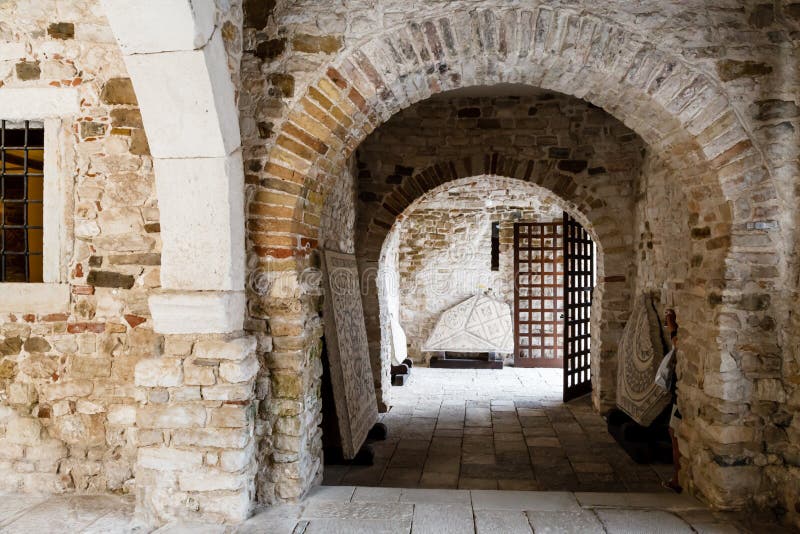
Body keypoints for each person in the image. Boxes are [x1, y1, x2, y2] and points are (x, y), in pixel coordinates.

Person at [663, 308, 682, 493]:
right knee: (673, 431)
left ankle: (678, 478)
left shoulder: (681, 342)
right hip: (679, 393)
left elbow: (677, 342)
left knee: (674, 433)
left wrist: (670, 323)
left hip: (681, 396)